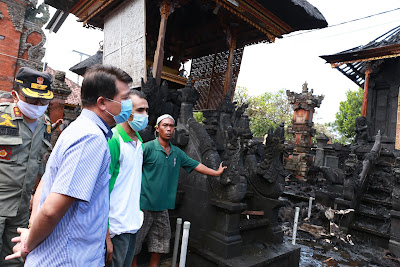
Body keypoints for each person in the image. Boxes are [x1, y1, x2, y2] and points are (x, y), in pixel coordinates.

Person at [5, 64, 133, 266]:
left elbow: (46, 180)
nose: (129, 104)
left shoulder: (78, 130)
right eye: (124, 98)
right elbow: (51, 210)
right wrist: (28, 243)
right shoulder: (90, 138)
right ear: (102, 103)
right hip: (67, 258)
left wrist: (32, 229)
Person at [132, 114, 227, 267]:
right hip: (143, 206)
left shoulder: (177, 152)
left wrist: (215, 172)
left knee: (161, 242)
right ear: (157, 129)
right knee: (135, 243)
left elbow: (196, 165)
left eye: (171, 126)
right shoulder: (147, 148)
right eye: (165, 125)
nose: (169, 129)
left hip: (163, 207)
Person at [0, 67, 53, 267]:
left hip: (22, 209)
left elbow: (40, 164)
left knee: (14, 259)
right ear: (15, 95)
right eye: (31, 99)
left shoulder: (45, 125)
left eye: (44, 100)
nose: (38, 105)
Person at [107, 90, 149, 267]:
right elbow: (104, 188)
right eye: (140, 110)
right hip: (115, 228)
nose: (145, 115)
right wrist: (105, 232)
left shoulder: (139, 141)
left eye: (147, 110)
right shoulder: (113, 140)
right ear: (126, 111)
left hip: (132, 224)